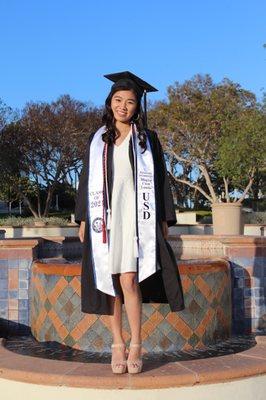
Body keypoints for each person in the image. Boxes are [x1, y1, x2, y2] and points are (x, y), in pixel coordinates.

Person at [75, 71, 184, 374]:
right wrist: (83, 218)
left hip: (137, 219)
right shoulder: (98, 139)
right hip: (106, 220)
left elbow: (161, 180)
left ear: (137, 107)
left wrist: (164, 218)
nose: (123, 106)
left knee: (129, 280)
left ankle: (137, 342)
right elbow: (85, 181)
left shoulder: (147, 141)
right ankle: (117, 344)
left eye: (130, 102)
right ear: (110, 103)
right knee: (110, 283)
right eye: (118, 100)